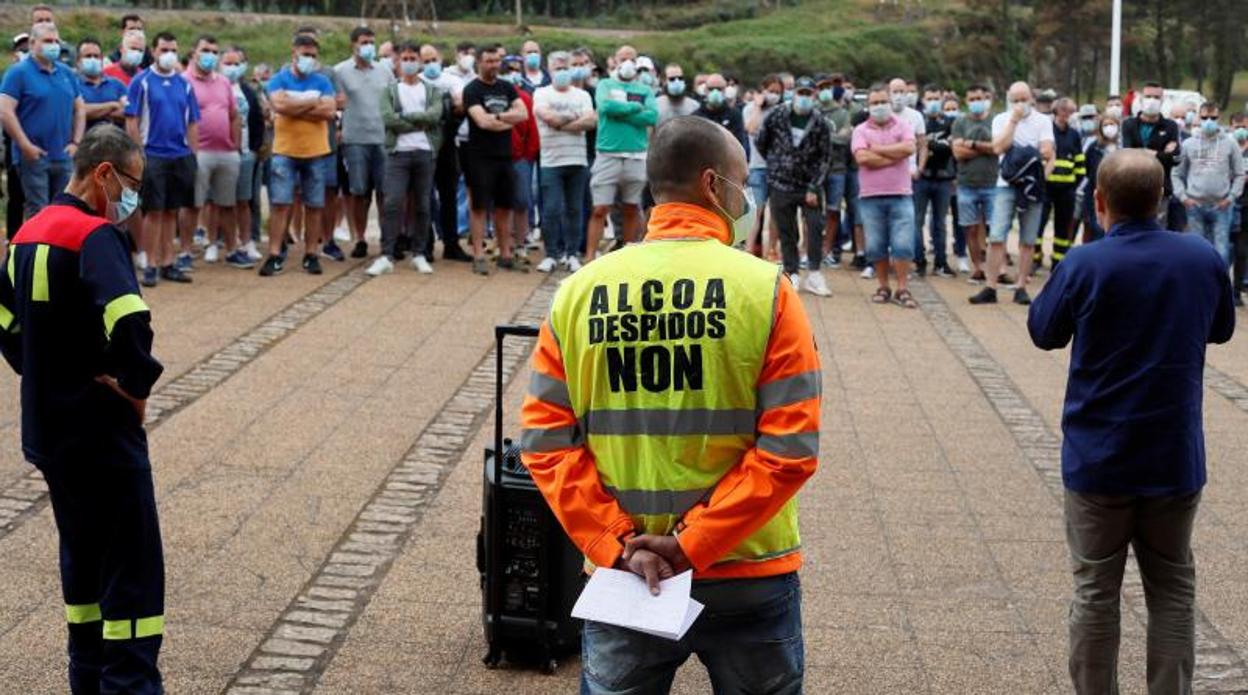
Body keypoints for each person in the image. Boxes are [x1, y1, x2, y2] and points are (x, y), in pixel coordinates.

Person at [520, 115, 819, 695]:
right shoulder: (767, 290)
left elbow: (544, 441)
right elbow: (791, 448)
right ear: (715, 185)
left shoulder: (579, 291)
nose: (746, 197)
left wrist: (612, 540)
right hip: (747, 566)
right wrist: (693, 545)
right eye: (741, 182)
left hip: (626, 575)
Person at [1028, 148, 1236, 695]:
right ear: (1163, 200)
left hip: (1100, 456)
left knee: (1096, 590)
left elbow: (1043, 331)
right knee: (1172, 587)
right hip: (1173, 454)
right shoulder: (1201, 258)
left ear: (1099, 202)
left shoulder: (1085, 262)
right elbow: (1221, 330)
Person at [0, 124, 166, 694]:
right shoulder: (94, 236)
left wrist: (41, 370)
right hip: (100, 429)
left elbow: (4, 320)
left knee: (82, 558)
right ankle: (131, 685)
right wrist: (134, 387)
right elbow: (129, 322)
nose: (130, 197)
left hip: (49, 430)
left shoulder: (27, 232)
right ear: (103, 173)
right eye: (130, 184)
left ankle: (88, 681)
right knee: (132, 571)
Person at [968, 81, 1055, 306]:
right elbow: (999, 147)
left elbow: (1047, 150)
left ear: (1032, 99)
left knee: (1028, 239)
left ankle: (1021, 287)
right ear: (1008, 100)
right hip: (1005, 185)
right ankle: (990, 286)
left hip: (1032, 185)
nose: (1020, 104)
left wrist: (1026, 157)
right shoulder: (1001, 119)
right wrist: (1014, 121)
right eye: (1015, 100)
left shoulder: (1043, 121)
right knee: (996, 236)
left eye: (1023, 99)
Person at [257, 33, 336, 277]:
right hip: (285, 151)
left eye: (313, 55)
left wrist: (294, 108)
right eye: (305, 54)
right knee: (280, 204)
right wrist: (312, 104)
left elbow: (330, 110)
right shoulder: (278, 79)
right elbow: (279, 106)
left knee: (314, 205)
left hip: (316, 152)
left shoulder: (323, 81)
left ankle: (311, 254)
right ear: (294, 53)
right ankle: (274, 254)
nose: (309, 59)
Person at [126, 31, 199, 287]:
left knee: (171, 211)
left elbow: (192, 123)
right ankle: (150, 263)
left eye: (173, 50)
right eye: (164, 49)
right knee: (153, 212)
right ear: (153, 51)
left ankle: (169, 262)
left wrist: (193, 154)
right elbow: (131, 120)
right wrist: (138, 154)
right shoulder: (141, 81)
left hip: (180, 155)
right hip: (153, 154)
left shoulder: (184, 84)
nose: (169, 55)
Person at [366, 41, 443, 277]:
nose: (409, 63)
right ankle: (386, 254)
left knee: (422, 204)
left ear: (419, 61)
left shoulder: (431, 90)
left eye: (413, 58)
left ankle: (419, 253)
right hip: (397, 154)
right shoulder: (390, 90)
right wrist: (417, 121)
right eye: (404, 59)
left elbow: (434, 116)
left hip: (424, 153)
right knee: (392, 203)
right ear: (397, 62)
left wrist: (407, 118)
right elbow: (389, 119)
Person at [755, 76, 831, 296]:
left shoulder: (820, 122)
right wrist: (776, 163)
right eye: (801, 93)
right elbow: (762, 140)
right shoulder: (777, 115)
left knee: (816, 226)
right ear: (794, 93)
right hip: (781, 184)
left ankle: (815, 273)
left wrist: (815, 187)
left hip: (809, 186)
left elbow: (825, 157)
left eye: (808, 93)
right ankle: (792, 272)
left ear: (814, 95)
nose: (804, 98)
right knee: (787, 230)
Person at [0, 22, 85, 221]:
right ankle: (35, 250)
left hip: (63, 155)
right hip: (34, 157)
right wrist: (24, 145)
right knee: (38, 210)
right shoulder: (18, 73)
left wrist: (76, 143)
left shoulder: (66, 73)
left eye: (56, 41)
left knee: (63, 209)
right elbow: (5, 110)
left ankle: (56, 252)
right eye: (48, 41)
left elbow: (80, 108)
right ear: (32, 43)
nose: (53, 45)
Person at [583, 45, 657, 262]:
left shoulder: (645, 89)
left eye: (631, 58)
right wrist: (635, 108)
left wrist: (622, 110)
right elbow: (605, 108)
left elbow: (651, 117)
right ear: (614, 60)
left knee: (632, 207)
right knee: (600, 208)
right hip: (608, 153)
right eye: (622, 58)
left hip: (636, 155)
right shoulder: (605, 84)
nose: (626, 62)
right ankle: (589, 257)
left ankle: (627, 257)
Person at [461, 44, 528, 275]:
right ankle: (478, 254)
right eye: (488, 61)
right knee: (479, 207)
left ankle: (506, 254)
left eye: (496, 61)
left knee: (504, 206)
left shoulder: (507, 87)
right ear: (479, 62)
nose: (493, 65)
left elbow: (523, 114)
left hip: (504, 156)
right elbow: (481, 121)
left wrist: (498, 116)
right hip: (479, 157)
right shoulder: (471, 90)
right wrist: (506, 120)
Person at [852, 82, 918, 308]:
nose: (879, 106)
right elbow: (862, 158)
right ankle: (883, 286)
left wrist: (877, 150)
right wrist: (895, 155)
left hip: (901, 194)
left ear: (890, 103)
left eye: (883, 102)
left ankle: (902, 287)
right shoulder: (860, 130)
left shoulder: (903, 125)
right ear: (868, 105)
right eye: (874, 103)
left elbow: (909, 148)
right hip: (871, 196)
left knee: (903, 244)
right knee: (876, 245)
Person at [335, 27, 394, 262]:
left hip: (382, 139)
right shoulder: (340, 71)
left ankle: (385, 238)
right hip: (354, 140)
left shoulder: (384, 70)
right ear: (354, 45)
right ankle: (359, 238)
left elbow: (392, 100)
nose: (369, 45)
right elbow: (336, 104)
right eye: (364, 42)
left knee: (384, 192)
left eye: (372, 41)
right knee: (358, 193)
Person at [532, 50, 595, 273]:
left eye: (565, 67)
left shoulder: (582, 95)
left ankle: (572, 253)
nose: (562, 72)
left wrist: (562, 123)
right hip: (551, 162)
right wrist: (574, 118)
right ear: (549, 70)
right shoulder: (541, 93)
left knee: (575, 209)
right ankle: (551, 253)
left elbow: (592, 120)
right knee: (550, 209)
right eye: (557, 68)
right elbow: (548, 117)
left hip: (577, 161)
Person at [184, 35, 241, 267]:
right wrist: (190, 149)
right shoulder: (183, 81)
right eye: (205, 50)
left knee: (227, 204)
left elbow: (234, 115)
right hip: (199, 152)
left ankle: (231, 249)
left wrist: (235, 144)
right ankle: (185, 251)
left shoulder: (224, 82)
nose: (210, 56)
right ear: (194, 52)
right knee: (193, 205)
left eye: (214, 52)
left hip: (226, 152)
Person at [1172, 103, 1245, 266]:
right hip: (1194, 206)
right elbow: (1176, 173)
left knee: (1222, 252)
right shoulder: (1188, 144)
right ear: (1199, 118)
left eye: (1213, 118)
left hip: (1222, 206)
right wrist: (1183, 197)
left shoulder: (1230, 144)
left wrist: (1231, 197)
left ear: (1219, 119)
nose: (1209, 121)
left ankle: (1221, 289)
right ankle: (1198, 287)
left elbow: (1240, 174)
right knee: (1196, 251)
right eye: (1204, 118)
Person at [418, 43, 472, 263]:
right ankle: (426, 244)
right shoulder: (418, 81)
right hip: (423, 143)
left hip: (448, 143)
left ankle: (451, 243)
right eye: (426, 60)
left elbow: (460, 103)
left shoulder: (451, 80)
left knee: (449, 195)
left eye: (434, 59)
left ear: (441, 58)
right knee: (425, 197)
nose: (431, 64)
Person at [1121, 82, 1183, 227]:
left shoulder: (1170, 126)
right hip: (1132, 186)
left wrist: (1146, 153)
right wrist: (1159, 154)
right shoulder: (1129, 124)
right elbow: (1128, 154)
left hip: (1160, 188)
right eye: (1148, 96)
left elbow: (1175, 158)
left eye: (1156, 97)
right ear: (1141, 99)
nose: (1152, 101)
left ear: (1162, 101)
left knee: (1158, 230)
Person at [951, 84, 996, 283]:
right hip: (966, 183)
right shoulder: (960, 122)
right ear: (966, 101)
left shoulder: (995, 121)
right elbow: (957, 152)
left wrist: (971, 144)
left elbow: (998, 147)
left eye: (980, 98)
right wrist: (985, 148)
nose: (976, 102)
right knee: (969, 228)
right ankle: (977, 267)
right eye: (972, 99)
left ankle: (997, 269)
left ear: (987, 98)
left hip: (993, 183)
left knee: (996, 228)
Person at [221, 46, 260, 267]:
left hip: (245, 153)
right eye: (228, 63)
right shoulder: (216, 87)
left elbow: (256, 121)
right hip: (221, 151)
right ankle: (218, 241)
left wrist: (254, 149)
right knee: (220, 202)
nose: (232, 68)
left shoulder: (248, 91)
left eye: (237, 63)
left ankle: (247, 241)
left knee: (244, 201)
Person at [914, 83, 956, 277]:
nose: (932, 102)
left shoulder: (949, 122)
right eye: (929, 98)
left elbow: (949, 149)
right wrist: (936, 146)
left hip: (943, 178)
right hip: (921, 178)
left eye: (936, 98)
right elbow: (915, 147)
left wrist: (929, 145)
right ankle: (918, 260)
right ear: (923, 100)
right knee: (917, 221)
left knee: (940, 222)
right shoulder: (918, 120)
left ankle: (941, 262)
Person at [1040, 97, 1085, 270]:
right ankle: (1035, 258)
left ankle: (1057, 262)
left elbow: (1080, 161)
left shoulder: (1074, 134)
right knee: (1039, 224)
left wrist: (1074, 183)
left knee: (1063, 227)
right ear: (1058, 111)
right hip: (1046, 187)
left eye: (1072, 112)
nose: (1069, 115)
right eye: (1066, 111)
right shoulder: (1047, 131)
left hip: (1067, 190)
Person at [743, 74, 782, 259]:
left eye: (777, 92)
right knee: (756, 212)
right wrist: (758, 107)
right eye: (771, 91)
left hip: (778, 168)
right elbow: (751, 128)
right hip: (757, 167)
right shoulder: (750, 108)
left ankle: (772, 249)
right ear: (762, 90)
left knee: (775, 212)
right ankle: (749, 250)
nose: (774, 95)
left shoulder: (782, 110)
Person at [816, 76, 852, 268]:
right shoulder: (813, 111)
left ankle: (828, 250)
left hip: (837, 169)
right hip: (815, 169)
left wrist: (823, 137)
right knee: (811, 211)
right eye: (821, 87)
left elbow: (845, 139)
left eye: (827, 87)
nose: (825, 91)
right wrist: (833, 137)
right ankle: (810, 250)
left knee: (833, 210)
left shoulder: (842, 113)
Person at [1079, 114, 1119, 243]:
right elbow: (1088, 172)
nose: (1109, 128)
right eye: (1105, 125)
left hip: (1119, 196)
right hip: (1096, 196)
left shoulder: (1124, 147)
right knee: (1096, 230)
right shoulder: (1094, 147)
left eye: (1112, 124)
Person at [77, 38, 127, 132]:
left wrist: (94, 111)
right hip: (86, 143)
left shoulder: (117, 84)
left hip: (116, 141)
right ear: (78, 61)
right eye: (88, 56)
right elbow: (79, 112)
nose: (93, 59)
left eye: (96, 56)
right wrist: (112, 105)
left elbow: (126, 112)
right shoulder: (73, 85)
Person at [693, 73, 746, 151]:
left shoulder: (735, 115)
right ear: (705, 90)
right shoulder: (695, 117)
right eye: (711, 89)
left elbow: (739, 144)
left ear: (726, 91)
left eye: (719, 89)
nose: (715, 92)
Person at [1233, 113, 1248, 307]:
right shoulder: (1226, 146)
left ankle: (1237, 290)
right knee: (1230, 251)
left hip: (1245, 205)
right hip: (1227, 202)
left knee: (1242, 250)